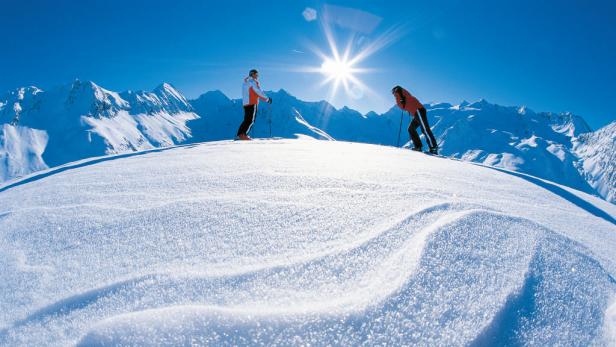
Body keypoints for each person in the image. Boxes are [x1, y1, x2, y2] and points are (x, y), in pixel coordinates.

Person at [392, 85, 438, 154]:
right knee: (411, 129)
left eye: (393, 92)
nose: (393, 94)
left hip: (418, 111)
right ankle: (418, 146)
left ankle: (433, 147)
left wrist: (400, 97)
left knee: (425, 129)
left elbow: (403, 104)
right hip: (416, 112)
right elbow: (404, 105)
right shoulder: (402, 95)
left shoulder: (400, 94)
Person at [236, 69, 272, 140]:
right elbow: (258, 92)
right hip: (252, 102)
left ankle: (239, 135)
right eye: (256, 75)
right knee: (251, 120)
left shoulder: (245, 82)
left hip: (246, 104)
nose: (257, 76)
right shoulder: (253, 82)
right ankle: (243, 135)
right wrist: (267, 99)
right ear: (252, 74)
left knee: (246, 120)